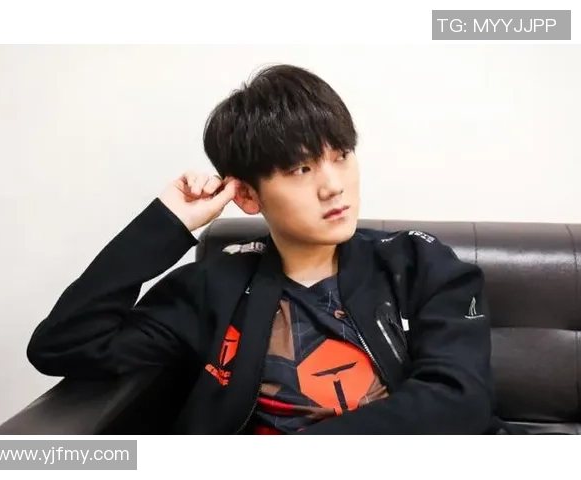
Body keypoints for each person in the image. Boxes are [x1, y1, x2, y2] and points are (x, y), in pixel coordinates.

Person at [26, 64, 522, 434]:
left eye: (341, 156)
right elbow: (64, 345)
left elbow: (459, 402)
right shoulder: (212, 289)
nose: (333, 186)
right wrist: (166, 224)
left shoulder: (417, 264)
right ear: (247, 195)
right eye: (301, 169)